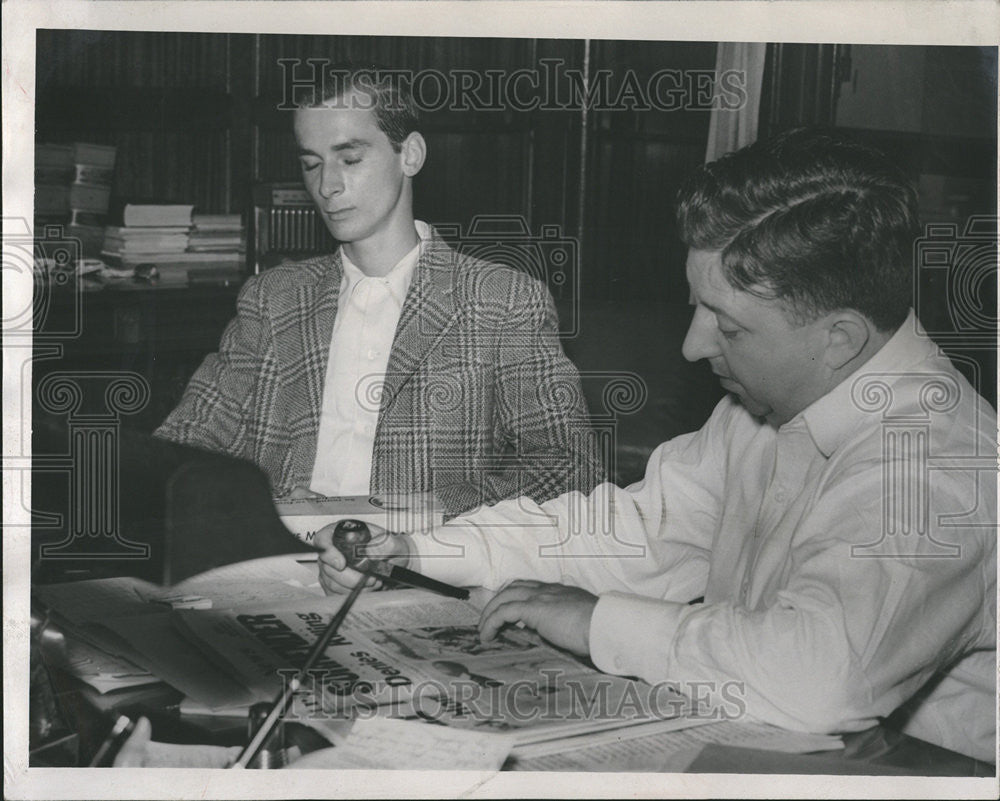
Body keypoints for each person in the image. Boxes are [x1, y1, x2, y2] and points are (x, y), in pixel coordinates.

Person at [317, 129, 997, 761]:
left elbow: (822, 677)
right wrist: (417, 549)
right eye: (696, 306)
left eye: (726, 323)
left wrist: (594, 622)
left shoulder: (933, 461)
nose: (692, 345)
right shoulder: (769, 407)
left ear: (839, 338)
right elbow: (635, 533)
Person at [155, 67, 603, 515]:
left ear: (410, 155)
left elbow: (571, 472)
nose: (327, 185)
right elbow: (182, 449)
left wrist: (413, 513)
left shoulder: (503, 302)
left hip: (419, 566)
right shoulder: (273, 298)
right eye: (311, 164)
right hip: (276, 562)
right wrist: (270, 506)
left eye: (349, 159)